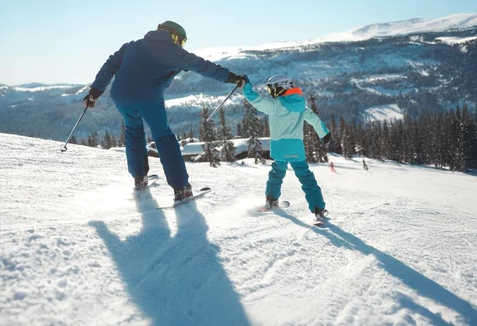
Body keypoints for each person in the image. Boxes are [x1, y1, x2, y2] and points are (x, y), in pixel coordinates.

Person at [83, 21, 246, 201]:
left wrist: (95, 91)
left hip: (121, 96)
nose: (181, 45)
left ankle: (139, 178)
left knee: (133, 131)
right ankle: (181, 187)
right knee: (163, 137)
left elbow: (110, 65)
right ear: (173, 36)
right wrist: (232, 78)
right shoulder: (173, 51)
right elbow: (204, 67)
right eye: (181, 41)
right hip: (148, 98)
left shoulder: (132, 46)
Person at [242, 74, 332, 223]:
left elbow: (256, 100)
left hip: (280, 148)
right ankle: (318, 209)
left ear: (281, 88)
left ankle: (271, 200)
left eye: (272, 90)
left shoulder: (276, 105)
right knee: (306, 178)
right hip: (296, 148)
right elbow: (315, 120)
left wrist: (246, 86)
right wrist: (324, 133)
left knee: (276, 174)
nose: (271, 93)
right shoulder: (301, 106)